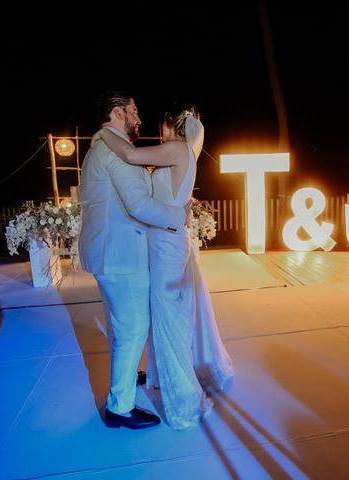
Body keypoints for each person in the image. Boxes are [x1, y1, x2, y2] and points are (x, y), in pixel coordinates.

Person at [92, 102, 234, 430]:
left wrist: (102, 134)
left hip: (166, 245)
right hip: (166, 242)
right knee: (167, 318)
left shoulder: (175, 147)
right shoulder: (183, 151)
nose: (158, 129)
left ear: (170, 125)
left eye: (161, 124)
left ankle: (184, 400)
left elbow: (130, 156)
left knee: (170, 321)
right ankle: (162, 378)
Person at [78, 90, 188, 430]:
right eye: (134, 111)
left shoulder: (99, 147)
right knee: (133, 327)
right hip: (122, 254)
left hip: (108, 252)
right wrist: (177, 217)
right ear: (118, 112)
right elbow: (138, 205)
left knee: (120, 324)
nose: (139, 117)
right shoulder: (115, 152)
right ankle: (120, 408)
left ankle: (125, 380)